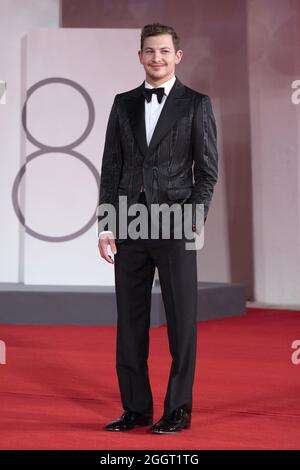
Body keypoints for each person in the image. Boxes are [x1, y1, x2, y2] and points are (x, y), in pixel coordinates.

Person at [97, 23, 218, 434]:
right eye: (149, 51)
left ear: (177, 56)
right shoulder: (123, 103)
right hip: (129, 223)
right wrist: (105, 224)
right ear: (140, 56)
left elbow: (207, 173)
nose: (157, 58)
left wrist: (193, 218)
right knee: (129, 323)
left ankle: (178, 409)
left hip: (175, 223)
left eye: (164, 51)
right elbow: (111, 167)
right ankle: (136, 408)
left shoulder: (196, 104)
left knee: (182, 321)